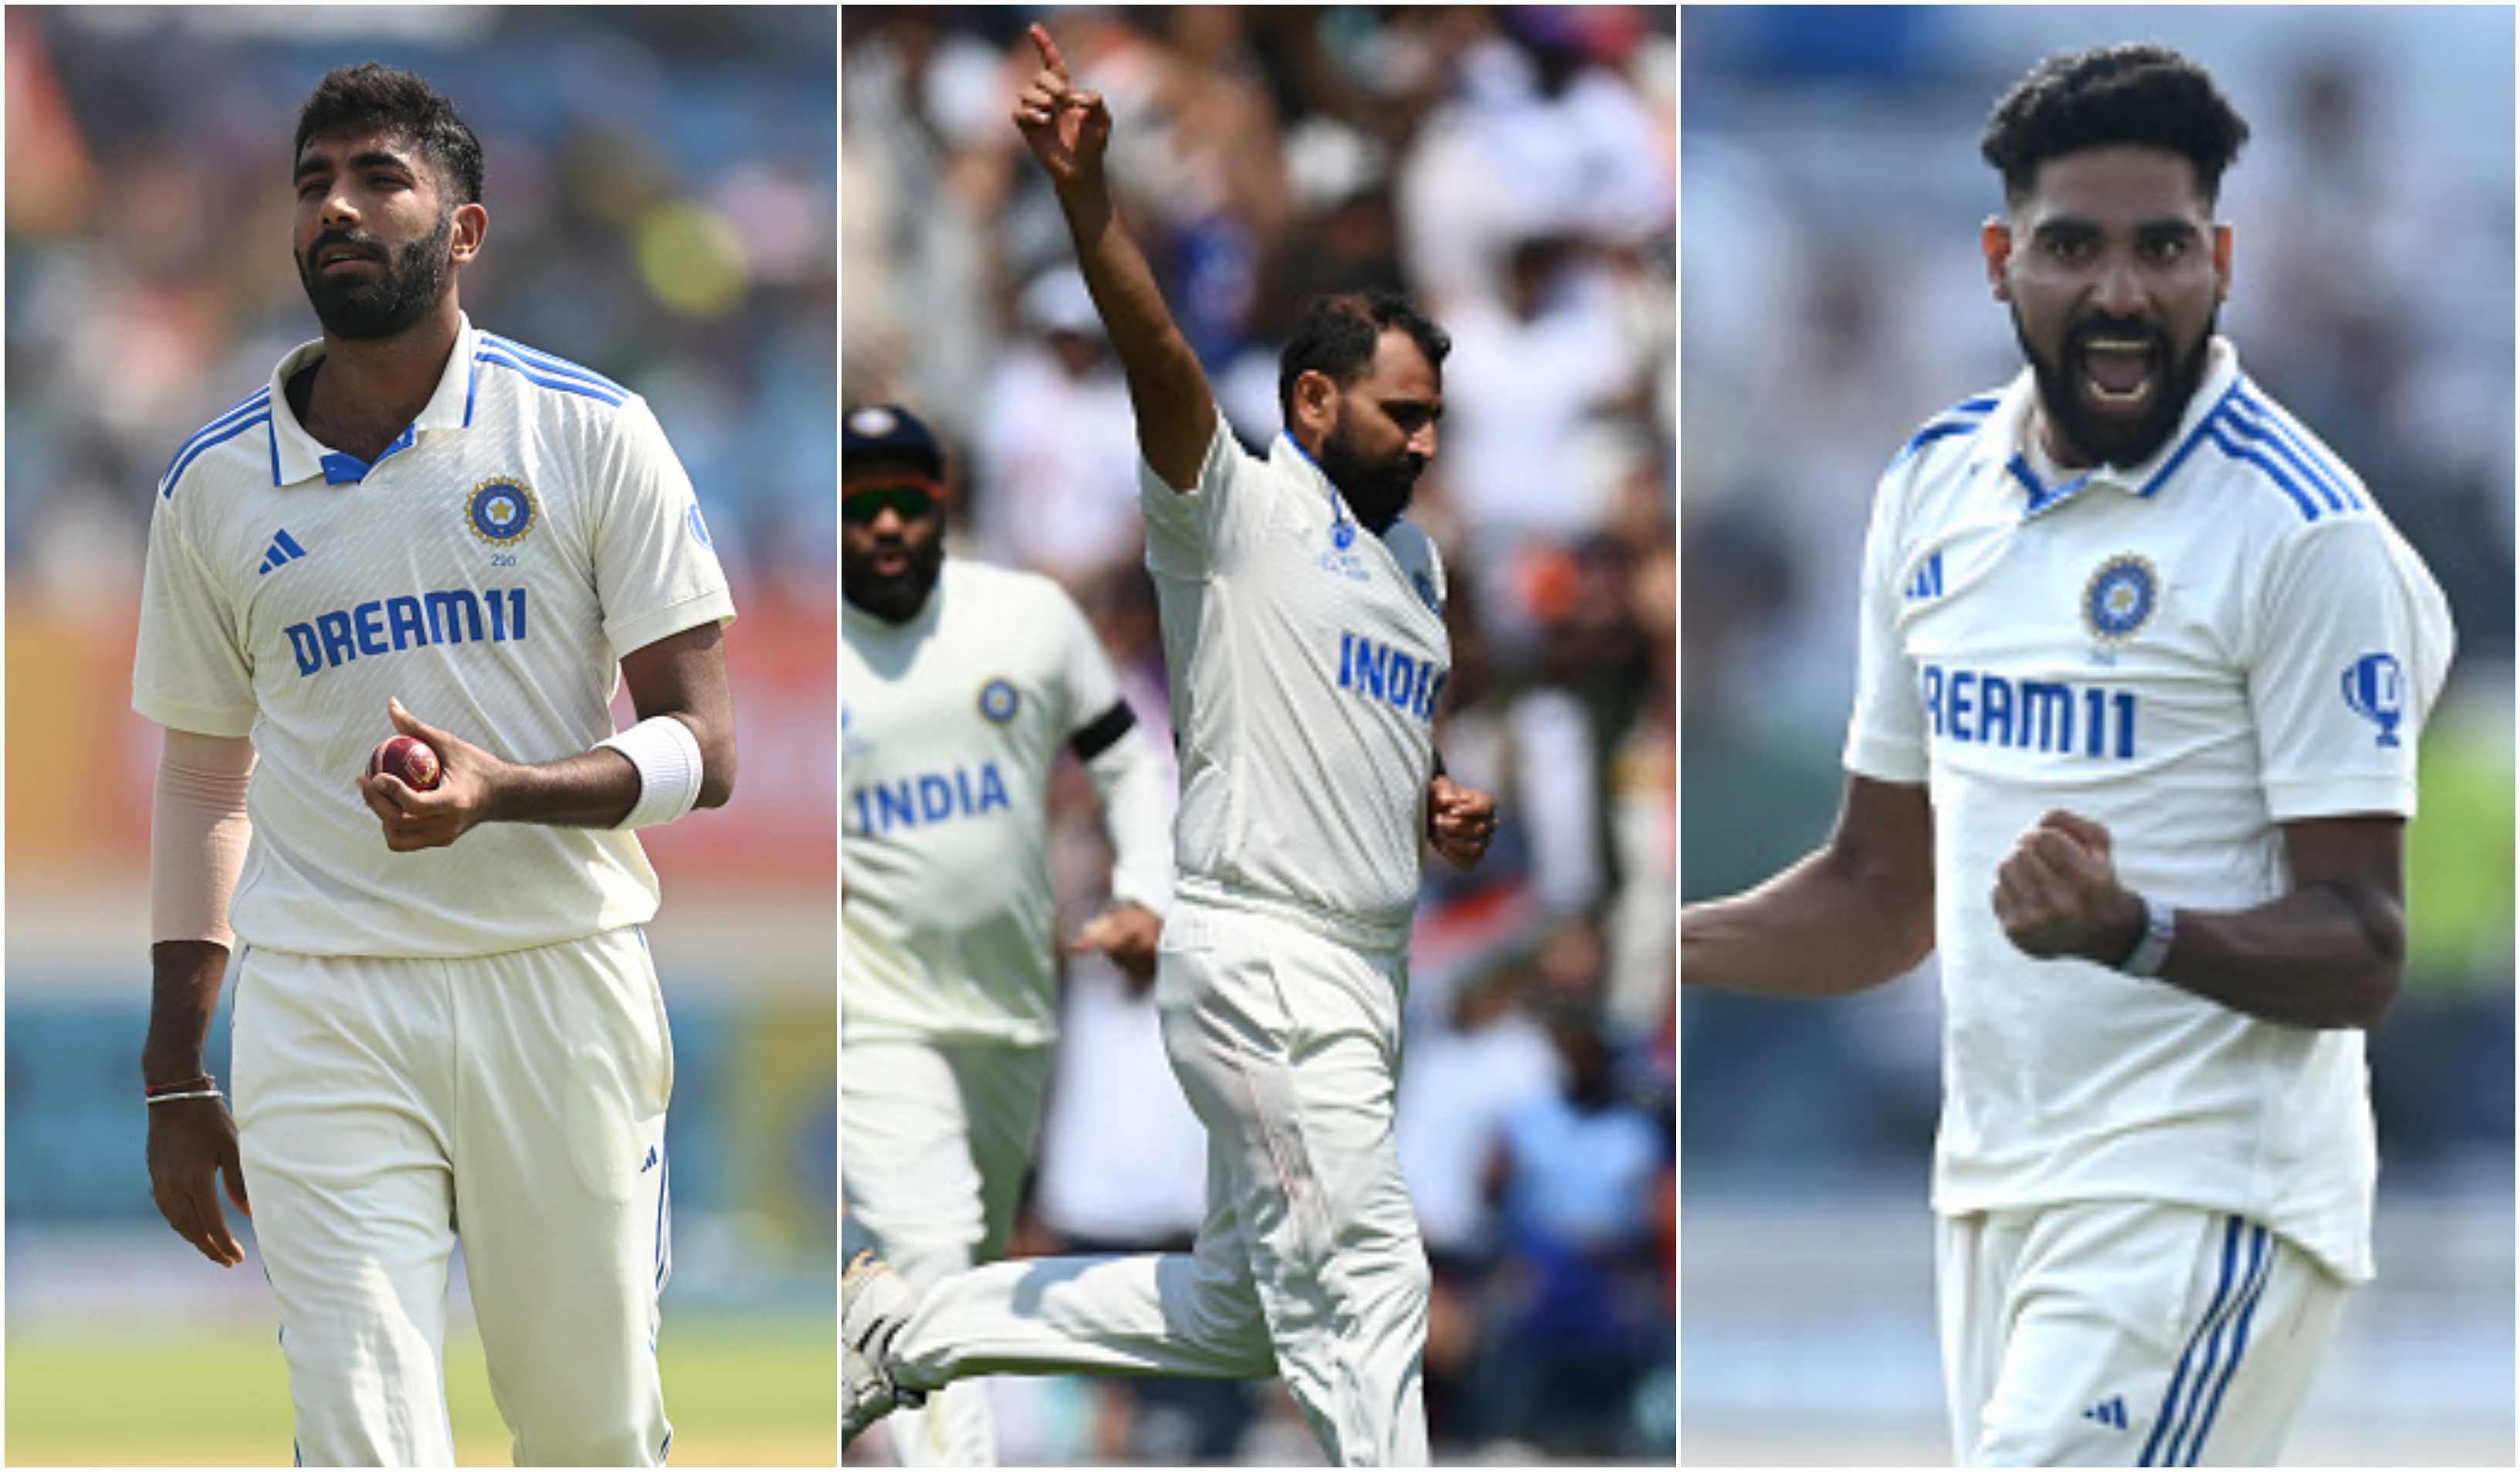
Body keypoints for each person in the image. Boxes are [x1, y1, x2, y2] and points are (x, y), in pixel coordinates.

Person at [1680, 45, 2454, 1467]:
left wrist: (2135, 932)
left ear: (2218, 261)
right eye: (2073, 246)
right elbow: (1879, 891)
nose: (2120, 290)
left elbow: (2365, 943)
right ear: (1998, 259)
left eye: (2163, 247)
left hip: (2208, 1193)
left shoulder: (2304, 532)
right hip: (2001, 1190)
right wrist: (1659, 946)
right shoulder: (1930, 488)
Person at [842, 24, 1501, 1468]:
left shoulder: (1422, 575)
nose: (1429, 446)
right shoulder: (1240, 510)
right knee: (1375, 1276)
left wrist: (1439, 805)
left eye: (1440, 420)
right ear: (1315, 405)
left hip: (1365, 971)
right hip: (1265, 954)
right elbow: (1155, 354)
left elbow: (1376, 744)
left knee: (1245, 1309)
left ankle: (912, 1332)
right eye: (1405, 417)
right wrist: (1088, 206)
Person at [134, 63, 736, 1467]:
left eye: (378, 179)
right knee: (364, 1440)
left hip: (559, 977)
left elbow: (705, 749)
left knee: (594, 1437)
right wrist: (175, 1069)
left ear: (463, 230)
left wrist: (506, 792)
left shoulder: (591, 431)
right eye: (311, 185)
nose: (336, 207)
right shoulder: (210, 486)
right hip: (325, 1006)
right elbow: (202, 782)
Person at [841, 401, 1174, 1465]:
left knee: (965, 1285)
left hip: (1012, 1019)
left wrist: (1149, 887)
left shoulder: (1027, 622)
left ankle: (859, 1392)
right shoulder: (821, 660)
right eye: (860, 507)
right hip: (882, 1017)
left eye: (907, 502)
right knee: (935, 1261)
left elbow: (1128, 760)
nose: (886, 526)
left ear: (942, 508)